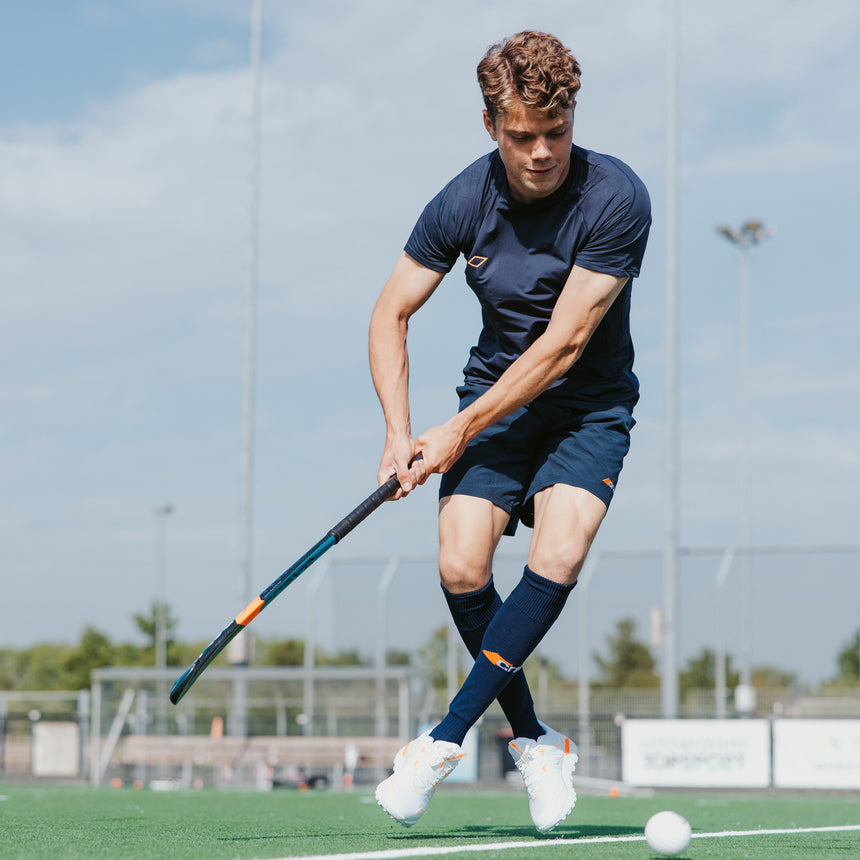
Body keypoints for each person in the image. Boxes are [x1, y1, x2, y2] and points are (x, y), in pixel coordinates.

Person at [368, 30, 651, 833]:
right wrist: (398, 433)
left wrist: (456, 429)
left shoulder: (616, 197)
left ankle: (443, 739)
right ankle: (535, 740)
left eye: (556, 131)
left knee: (556, 555)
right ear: (491, 124)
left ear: (573, 117)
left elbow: (563, 345)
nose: (541, 152)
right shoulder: (463, 200)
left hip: (587, 407)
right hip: (495, 399)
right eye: (522, 136)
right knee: (461, 564)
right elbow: (389, 314)